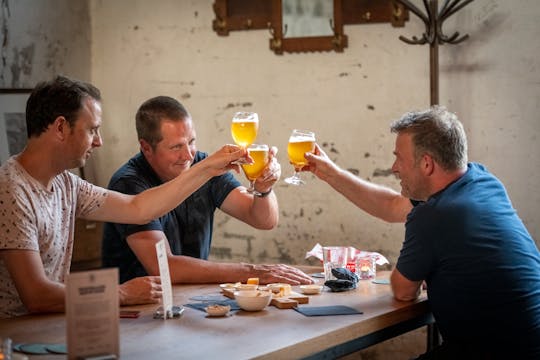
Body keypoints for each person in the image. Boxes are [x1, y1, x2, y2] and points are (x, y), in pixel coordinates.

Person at [304, 106, 540, 358]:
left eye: (399, 159)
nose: (394, 168)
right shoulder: (481, 180)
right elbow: (392, 206)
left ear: (426, 163)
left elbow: (404, 291)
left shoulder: (435, 214)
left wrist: (425, 271)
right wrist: (331, 174)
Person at [0, 76, 245, 318]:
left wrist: (207, 168)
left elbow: (137, 208)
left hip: (45, 329)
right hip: (12, 337)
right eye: (92, 130)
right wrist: (121, 293)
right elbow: (36, 296)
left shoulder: (66, 184)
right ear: (61, 127)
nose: (99, 141)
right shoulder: (11, 189)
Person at [101, 96, 313, 286]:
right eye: (176, 147)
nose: (188, 156)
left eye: (191, 142)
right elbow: (164, 267)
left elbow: (263, 221)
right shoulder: (128, 183)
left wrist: (263, 189)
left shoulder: (203, 164)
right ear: (146, 147)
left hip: (190, 302)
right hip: (137, 315)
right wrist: (254, 272)